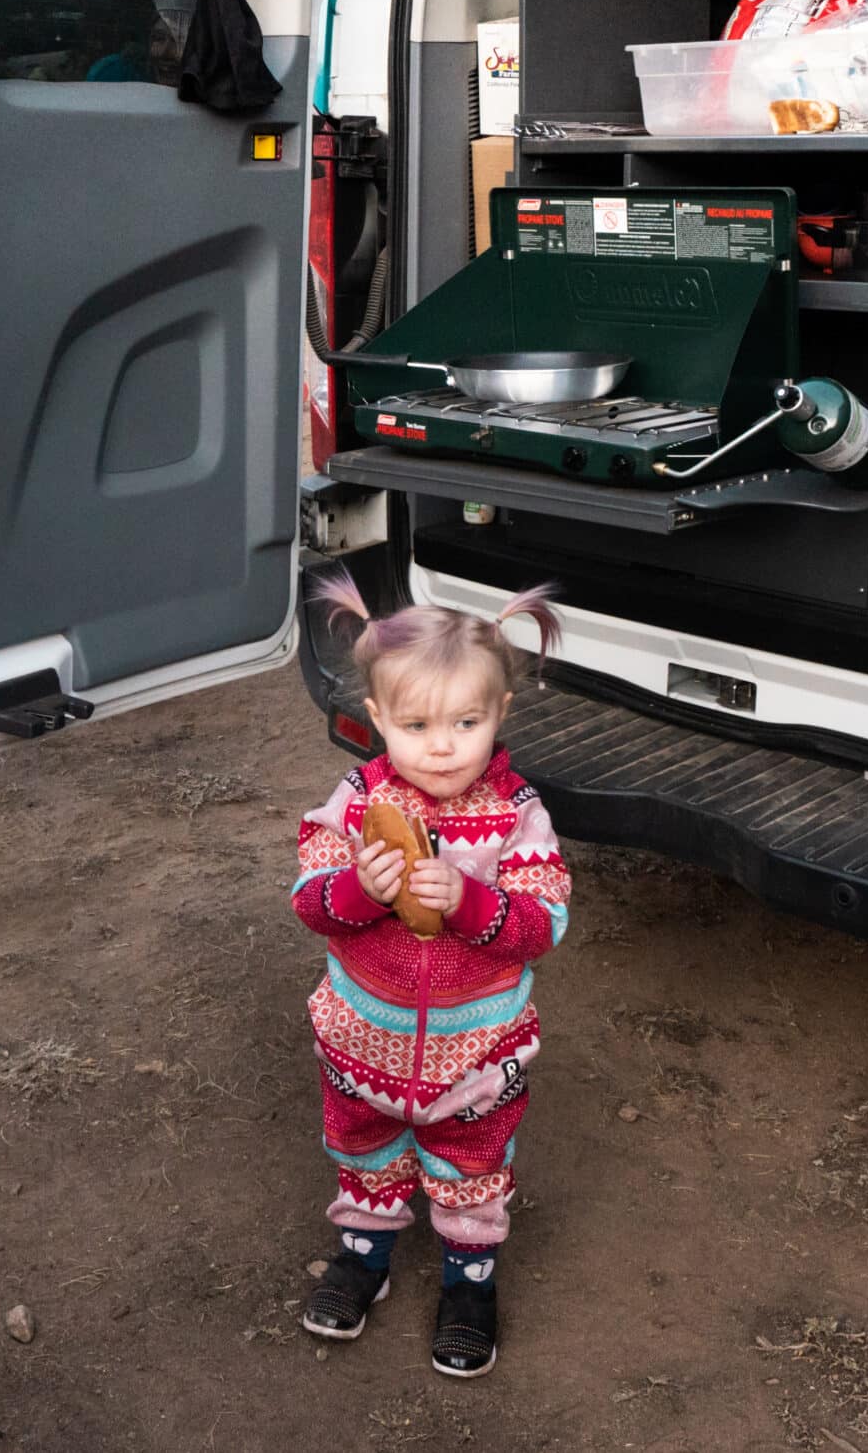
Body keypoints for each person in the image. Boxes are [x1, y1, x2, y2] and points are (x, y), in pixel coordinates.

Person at [290, 578, 573, 1379]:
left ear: (501, 713)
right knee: (365, 1152)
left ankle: (469, 1284)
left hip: (476, 1058)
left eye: (465, 722)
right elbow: (309, 898)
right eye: (415, 725)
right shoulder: (354, 803)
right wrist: (361, 891)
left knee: (471, 1169)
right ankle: (362, 1257)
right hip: (360, 1044)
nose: (442, 746)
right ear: (378, 719)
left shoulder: (518, 814)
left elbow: (544, 920)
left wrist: (472, 902)